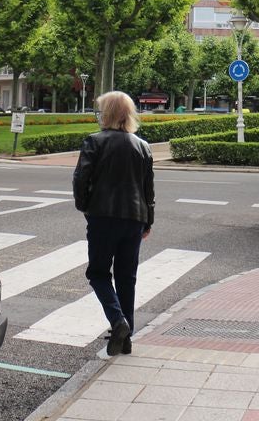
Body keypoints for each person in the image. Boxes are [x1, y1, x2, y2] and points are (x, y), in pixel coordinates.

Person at [72, 91, 155, 357]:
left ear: (106, 113)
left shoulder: (94, 142)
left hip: (103, 216)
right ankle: (126, 338)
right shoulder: (142, 146)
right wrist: (147, 220)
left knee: (97, 273)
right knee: (126, 278)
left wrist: (84, 205)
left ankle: (118, 322)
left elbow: (80, 179)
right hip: (134, 218)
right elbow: (148, 190)